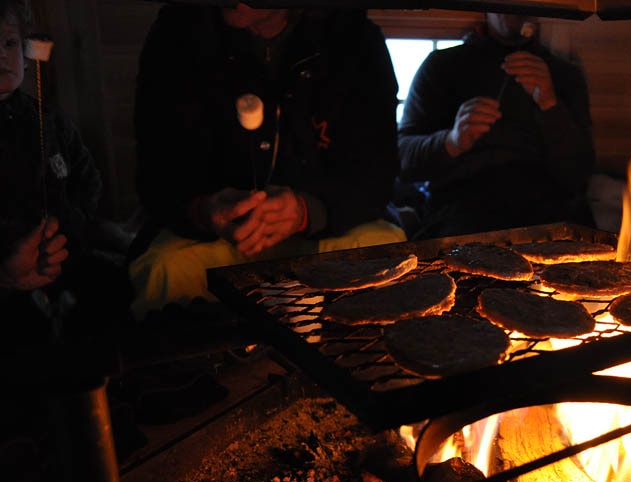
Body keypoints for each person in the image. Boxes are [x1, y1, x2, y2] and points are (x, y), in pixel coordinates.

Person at [128, 2, 405, 319]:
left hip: (329, 226)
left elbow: (377, 172)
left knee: (379, 252)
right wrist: (203, 209)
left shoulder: (353, 38)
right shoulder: (179, 32)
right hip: (216, 232)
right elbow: (155, 170)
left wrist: (306, 210)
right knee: (166, 267)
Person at [0, 0, 133, 348]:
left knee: (118, 285)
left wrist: (72, 224)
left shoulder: (49, 120)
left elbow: (87, 178)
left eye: (9, 43)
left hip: (69, 256)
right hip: (11, 277)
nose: (1, 55)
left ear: (26, 52)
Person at [395, 12, 595, 239]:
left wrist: (550, 104)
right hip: (462, 210)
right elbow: (403, 162)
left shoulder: (563, 74)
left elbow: (580, 175)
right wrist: (451, 141)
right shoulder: (442, 66)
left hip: (550, 211)